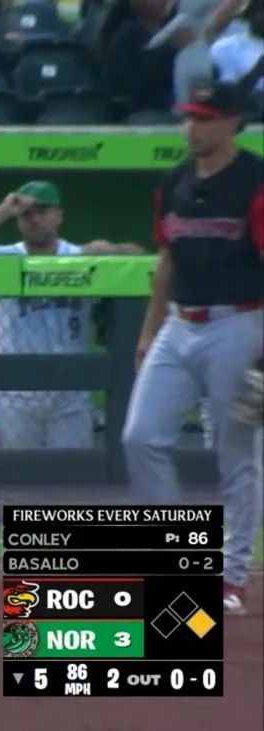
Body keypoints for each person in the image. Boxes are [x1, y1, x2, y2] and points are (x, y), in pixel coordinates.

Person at [122, 81, 263, 617]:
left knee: (237, 454)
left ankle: (231, 577)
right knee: (140, 437)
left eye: (204, 118)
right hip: (179, 325)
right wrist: (147, 333)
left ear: (231, 123)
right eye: (188, 117)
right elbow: (167, 262)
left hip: (240, 323)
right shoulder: (174, 181)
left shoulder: (255, 180)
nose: (191, 127)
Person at [0, 181, 145, 449]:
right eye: (27, 214)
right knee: (20, 469)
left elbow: (141, 256)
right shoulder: (7, 257)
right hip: (17, 386)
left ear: (59, 215)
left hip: (71, 386)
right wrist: (3, 210)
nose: (35, 219)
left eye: (42, 211)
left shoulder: (79, 256)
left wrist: (111, 250)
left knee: (71, 469)